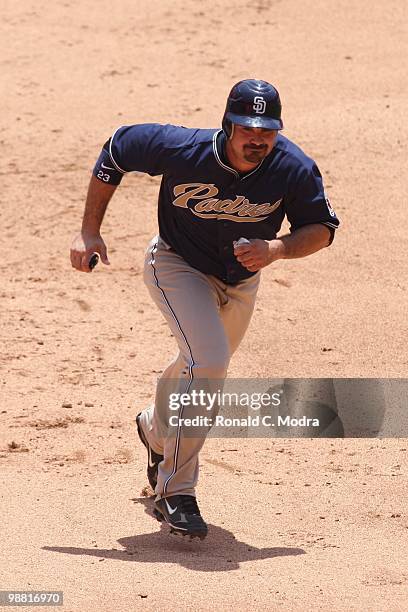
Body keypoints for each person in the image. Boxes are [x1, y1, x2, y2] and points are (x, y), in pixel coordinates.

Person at [70, 79, 340, 540]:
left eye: (268, 130)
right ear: (228, 124)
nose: (258, 139)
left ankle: (156, 431)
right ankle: (176, 493)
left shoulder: (293, 166)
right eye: (247, 128)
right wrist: (89, 231)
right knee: (210, 360)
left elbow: (322, 228)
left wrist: (276, 249)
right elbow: (116, 149)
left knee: (201, 364)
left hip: (241, 280)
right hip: (176, 265)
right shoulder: (181, 148)